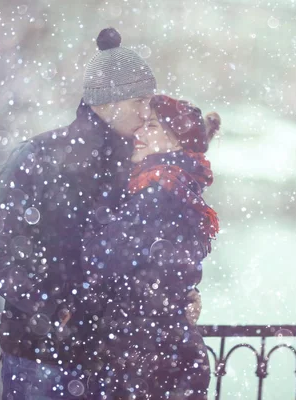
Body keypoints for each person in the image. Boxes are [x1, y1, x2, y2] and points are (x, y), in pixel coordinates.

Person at [0, 28, 200, 399]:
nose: (147, 114)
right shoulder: (38, 156)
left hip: (115, 367)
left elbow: (143, 255)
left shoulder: (139, 168)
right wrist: (53, 310)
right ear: (108, 101)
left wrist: (177, 296)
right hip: (41, 362)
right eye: (139, 102)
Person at [79, 94, 221, 399]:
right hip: (168, 352)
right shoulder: (180, 187)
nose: (139, 133)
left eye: (152, 126)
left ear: (176, 142)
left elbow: (101, 259)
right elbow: (171, 271)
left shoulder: (157, 193)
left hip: (143, 359)